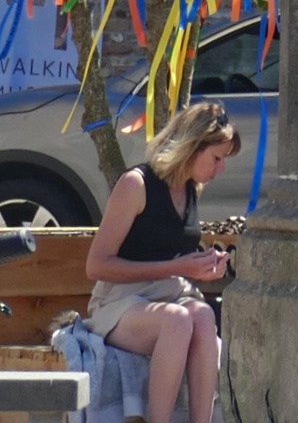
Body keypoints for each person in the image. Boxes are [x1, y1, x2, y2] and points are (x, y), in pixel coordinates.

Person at [82, 102, 240, 423]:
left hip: (169, 295)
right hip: (119, 301)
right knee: (178, 320)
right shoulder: (136, 185)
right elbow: (96, 266)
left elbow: (176, 261)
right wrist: (179, 267)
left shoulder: (191, 188)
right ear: (193, 147)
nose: (220, 169)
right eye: (217, 158)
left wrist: (206, 267)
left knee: (202, 315)